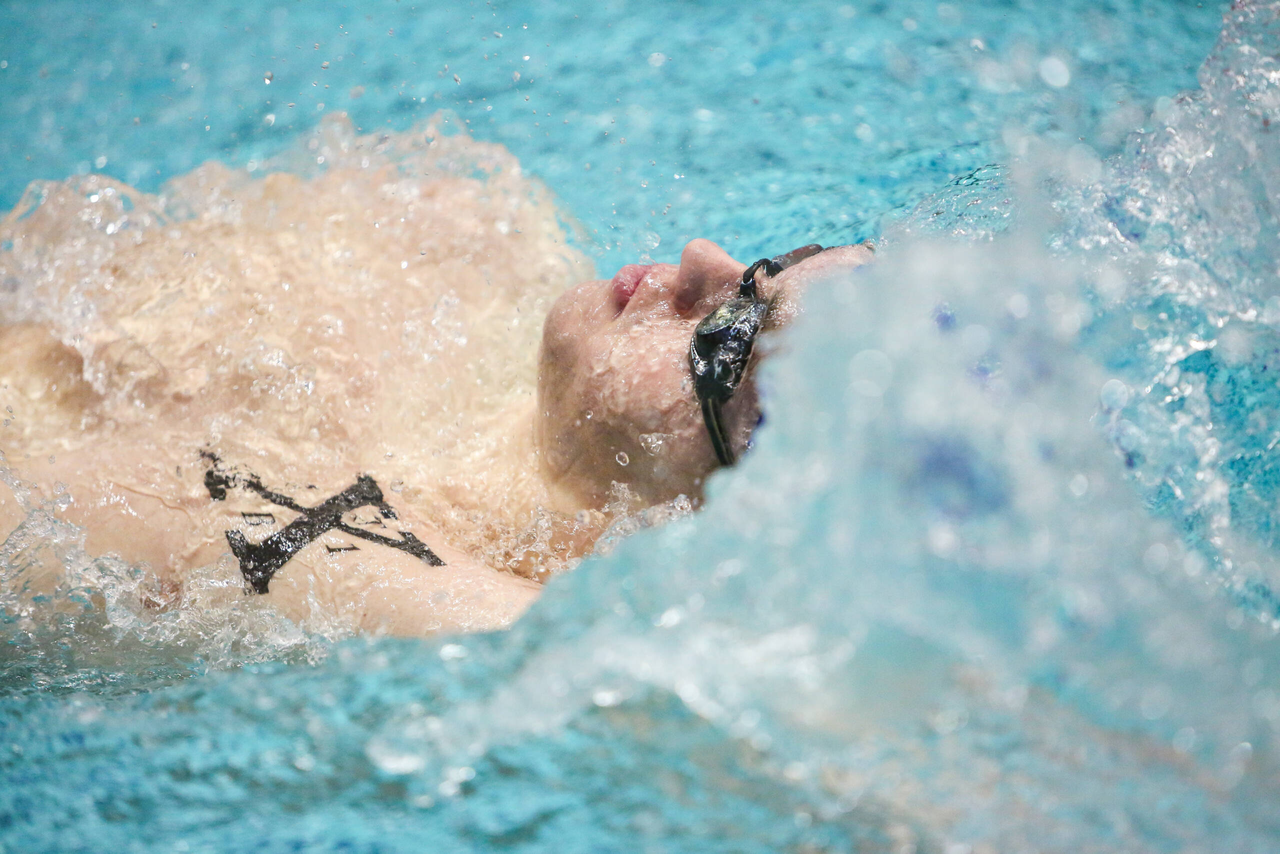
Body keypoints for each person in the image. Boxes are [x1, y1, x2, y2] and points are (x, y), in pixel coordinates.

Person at [0, 116, 872, 637]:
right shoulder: (467, 234)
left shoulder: (415, 575)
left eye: (733, 336)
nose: (702, 260)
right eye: (771, 264)